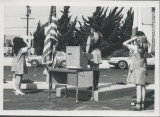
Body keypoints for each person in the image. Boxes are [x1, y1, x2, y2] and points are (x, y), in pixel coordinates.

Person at [123, 31, 150, 110]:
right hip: (144, 68)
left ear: (137, 38)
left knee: (138, 86)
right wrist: (143, 38)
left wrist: (133, 38)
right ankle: (142, 104)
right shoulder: (146, 46)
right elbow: (145, 60)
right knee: (143, 86)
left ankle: (138, 105)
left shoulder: (135, 47)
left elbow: (124, 43)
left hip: (137, 68)